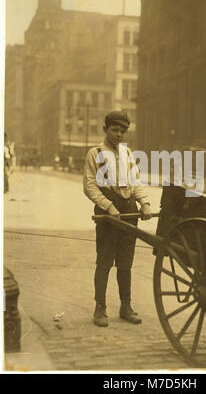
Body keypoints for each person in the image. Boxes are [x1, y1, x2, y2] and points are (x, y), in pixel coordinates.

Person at [83, 111, 152, 327]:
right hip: (107, 211)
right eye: (114, 130)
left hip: (128, 209)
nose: (119, 134)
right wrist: (108, 206)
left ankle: (125, 306)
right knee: (104, 261)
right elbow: (90, 186)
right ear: (105, 129)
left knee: (126, 261)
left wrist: (144, 203)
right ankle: (100, 308)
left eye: (122, 131)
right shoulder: (95, 153)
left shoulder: (128, 153)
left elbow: (136, 182)